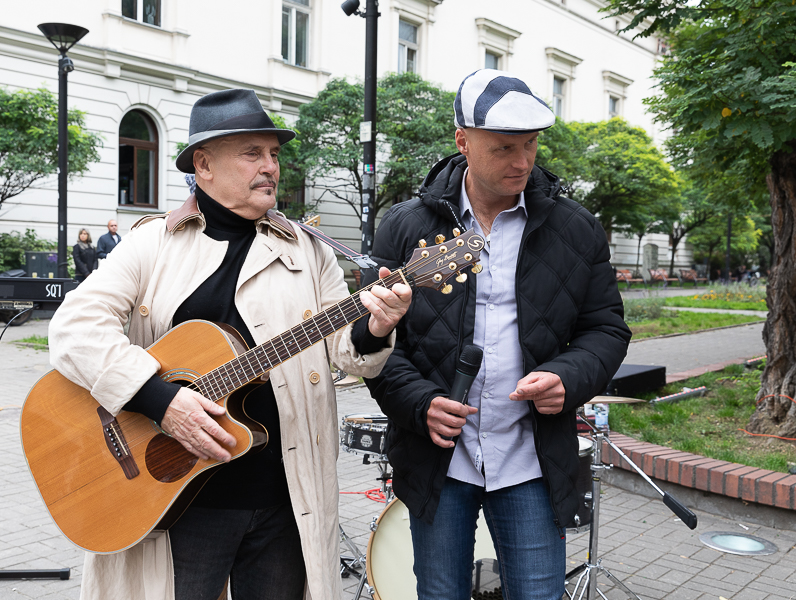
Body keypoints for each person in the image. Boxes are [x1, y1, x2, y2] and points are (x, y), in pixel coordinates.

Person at [47, 88, 412, 600]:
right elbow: (73, 329)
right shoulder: (153, 243)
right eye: (252, 153)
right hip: (178, 496)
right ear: (204, 165)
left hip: (286, 494)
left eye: (275, 154)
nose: (271, 167)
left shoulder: (308, 251)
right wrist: (161, 400)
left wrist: (376, 325)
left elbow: (344, 352)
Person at [356, 70, 631, 599]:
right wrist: (420, 403)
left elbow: (606, 329)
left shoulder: (576, 228)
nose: (523, 162)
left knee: (538, 593)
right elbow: (372, 342)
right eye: (505, 148)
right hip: (439, 460)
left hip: (530, 457)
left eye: (530, 145)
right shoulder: (404, 228)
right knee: (440, 593)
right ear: (462, 141)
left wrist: (567, 377)